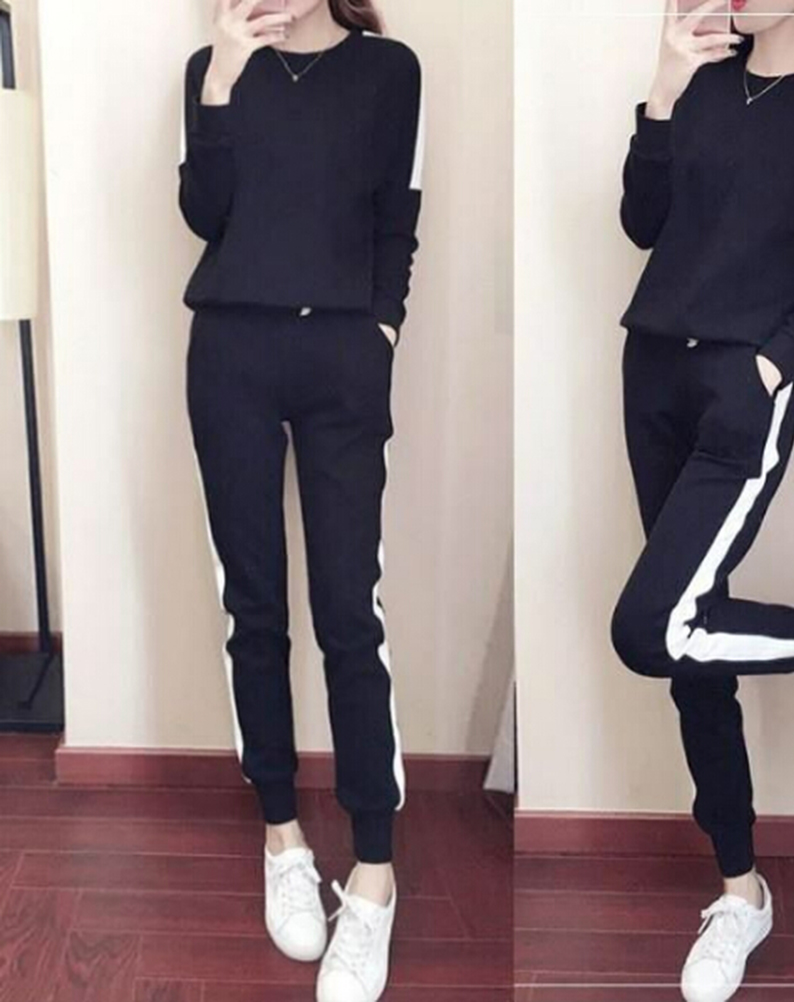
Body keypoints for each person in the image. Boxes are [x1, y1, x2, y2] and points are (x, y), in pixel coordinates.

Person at [610, 1, 794, 999]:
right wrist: (663, 86)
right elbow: (642, 223)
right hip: (652, 373)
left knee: (652, 628)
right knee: (692, 648)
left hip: (743, 386)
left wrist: (768, 368)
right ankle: (741, 893)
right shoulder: (698, 82)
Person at [178, 1, 423, 999]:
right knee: (255, 607)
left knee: (349, 613)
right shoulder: (212, 66)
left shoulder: (389, 69)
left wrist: (382, 333)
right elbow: (205, 213)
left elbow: (397, 218)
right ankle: (282, 837)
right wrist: (221, 78)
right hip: (230, 353)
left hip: (341, 359)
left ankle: (374, 874)